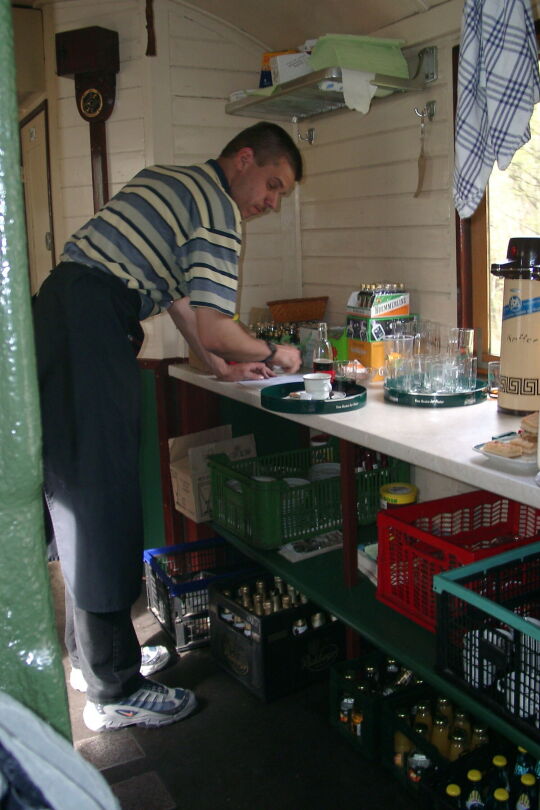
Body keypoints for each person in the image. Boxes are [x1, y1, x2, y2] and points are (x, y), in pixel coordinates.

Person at [32, 122, 303, 732]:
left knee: (78, 494)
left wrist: (222, 363)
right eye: (272, 184)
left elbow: (183, 305)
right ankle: (114, 690)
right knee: (98, 502)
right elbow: (211, 320)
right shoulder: (219, 211)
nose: (271, 202)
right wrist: (277, 352)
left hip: (62, 314)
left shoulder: (173, 181)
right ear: (243, 160)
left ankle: (95, 660)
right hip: (93, 326)